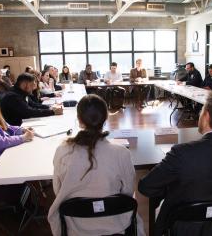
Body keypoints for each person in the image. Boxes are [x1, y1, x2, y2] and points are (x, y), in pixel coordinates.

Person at [138, 91, 212, 236]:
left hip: (184, 227)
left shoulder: (182, 153)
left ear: (207, 116)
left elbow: (146, 187)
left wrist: (171, 188)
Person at [47, 95, 145, 236]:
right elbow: (128, 192)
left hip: (74, 223)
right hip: (115, 223)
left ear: (79, 120)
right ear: (105, 118)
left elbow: (58, 190)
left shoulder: (62, 151)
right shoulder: (122, 153)